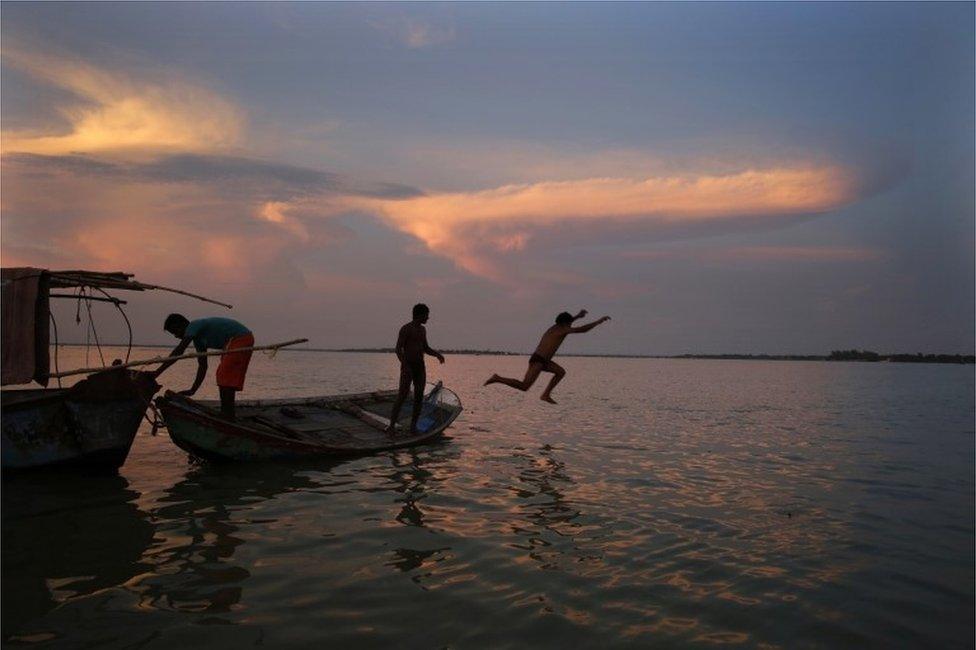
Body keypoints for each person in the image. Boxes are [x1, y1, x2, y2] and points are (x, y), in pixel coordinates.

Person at [485, 310, 610, 404]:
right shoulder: (562, 330)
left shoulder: (557, 327)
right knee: (524, 386)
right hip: (538, 360)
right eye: (569, 323)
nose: (570, 326)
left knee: (561, 372)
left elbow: (569, 321)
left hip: (544, 361)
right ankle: (498, 378)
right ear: (564, 323)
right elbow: (582, 329)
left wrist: (578, 316)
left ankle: (545, 395)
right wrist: (598, 321)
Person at [153, 314, 254, 420]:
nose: (176, 336)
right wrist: (193, 389)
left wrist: (157, 372)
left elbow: (179, 351)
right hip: (236, 341)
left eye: (175, 332)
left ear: (182, 325)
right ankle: (228, 412)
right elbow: (203, 366)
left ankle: (227, 413)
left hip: (240, 338)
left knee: (224, 374)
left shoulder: (194, 325)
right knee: (225, 375)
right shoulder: (199, 341)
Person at [387, 303, 445, 435]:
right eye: (426, 315)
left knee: (419, 396)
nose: (428, 318)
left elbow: (425, 348)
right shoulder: (406, 329)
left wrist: (437, 355)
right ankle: (391, 426)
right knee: (402, 395)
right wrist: (405, 365)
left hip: (420, 366)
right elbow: (398, 349)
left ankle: (413, 427)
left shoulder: (422, 330)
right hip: (408, 365)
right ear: (420, 315)